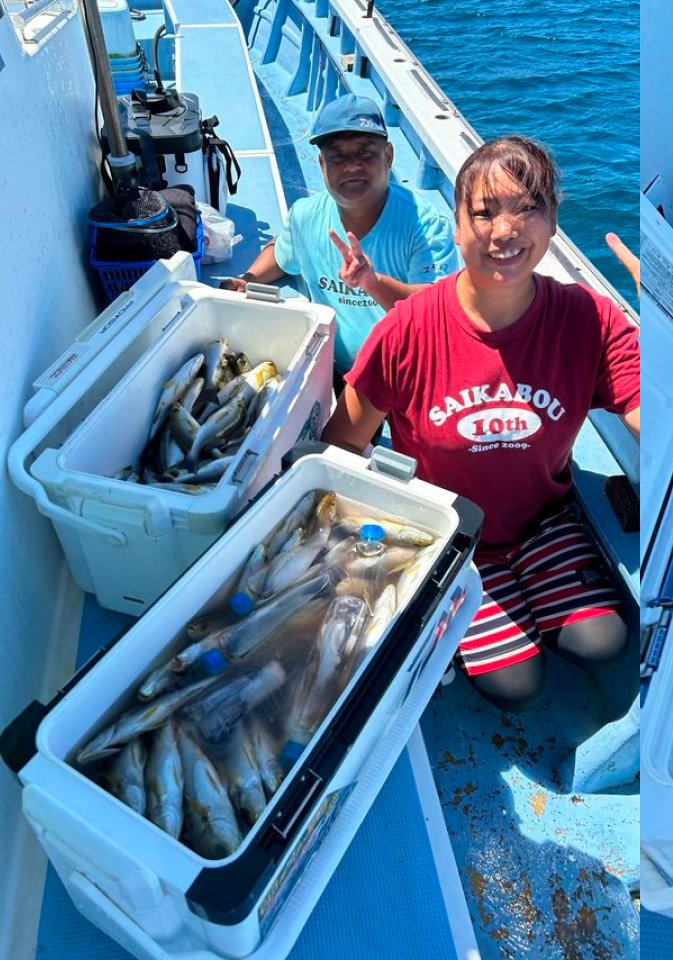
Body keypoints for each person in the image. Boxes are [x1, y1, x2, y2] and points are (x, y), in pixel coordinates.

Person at [322, 135, 641, 712]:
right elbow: (343, 444)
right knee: (516, 686)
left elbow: (655, 420)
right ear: (458, 225)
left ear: (551, 221)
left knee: (606, 642)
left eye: (526, 208)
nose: (505, 231)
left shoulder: (587, 318)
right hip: (447, 534)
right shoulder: (407, 329)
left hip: (542, 520)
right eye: (485, 212)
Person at [220, 94, 457, 376]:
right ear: (322, 165)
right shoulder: (304, 216)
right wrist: (248, 280)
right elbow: (283, 253)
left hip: (402, 370)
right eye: (337, 156)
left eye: (365, 153)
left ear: (389, 156)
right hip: (331, 365)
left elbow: (433, 311)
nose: (351, 166)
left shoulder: (425, 225)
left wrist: (373, 282)